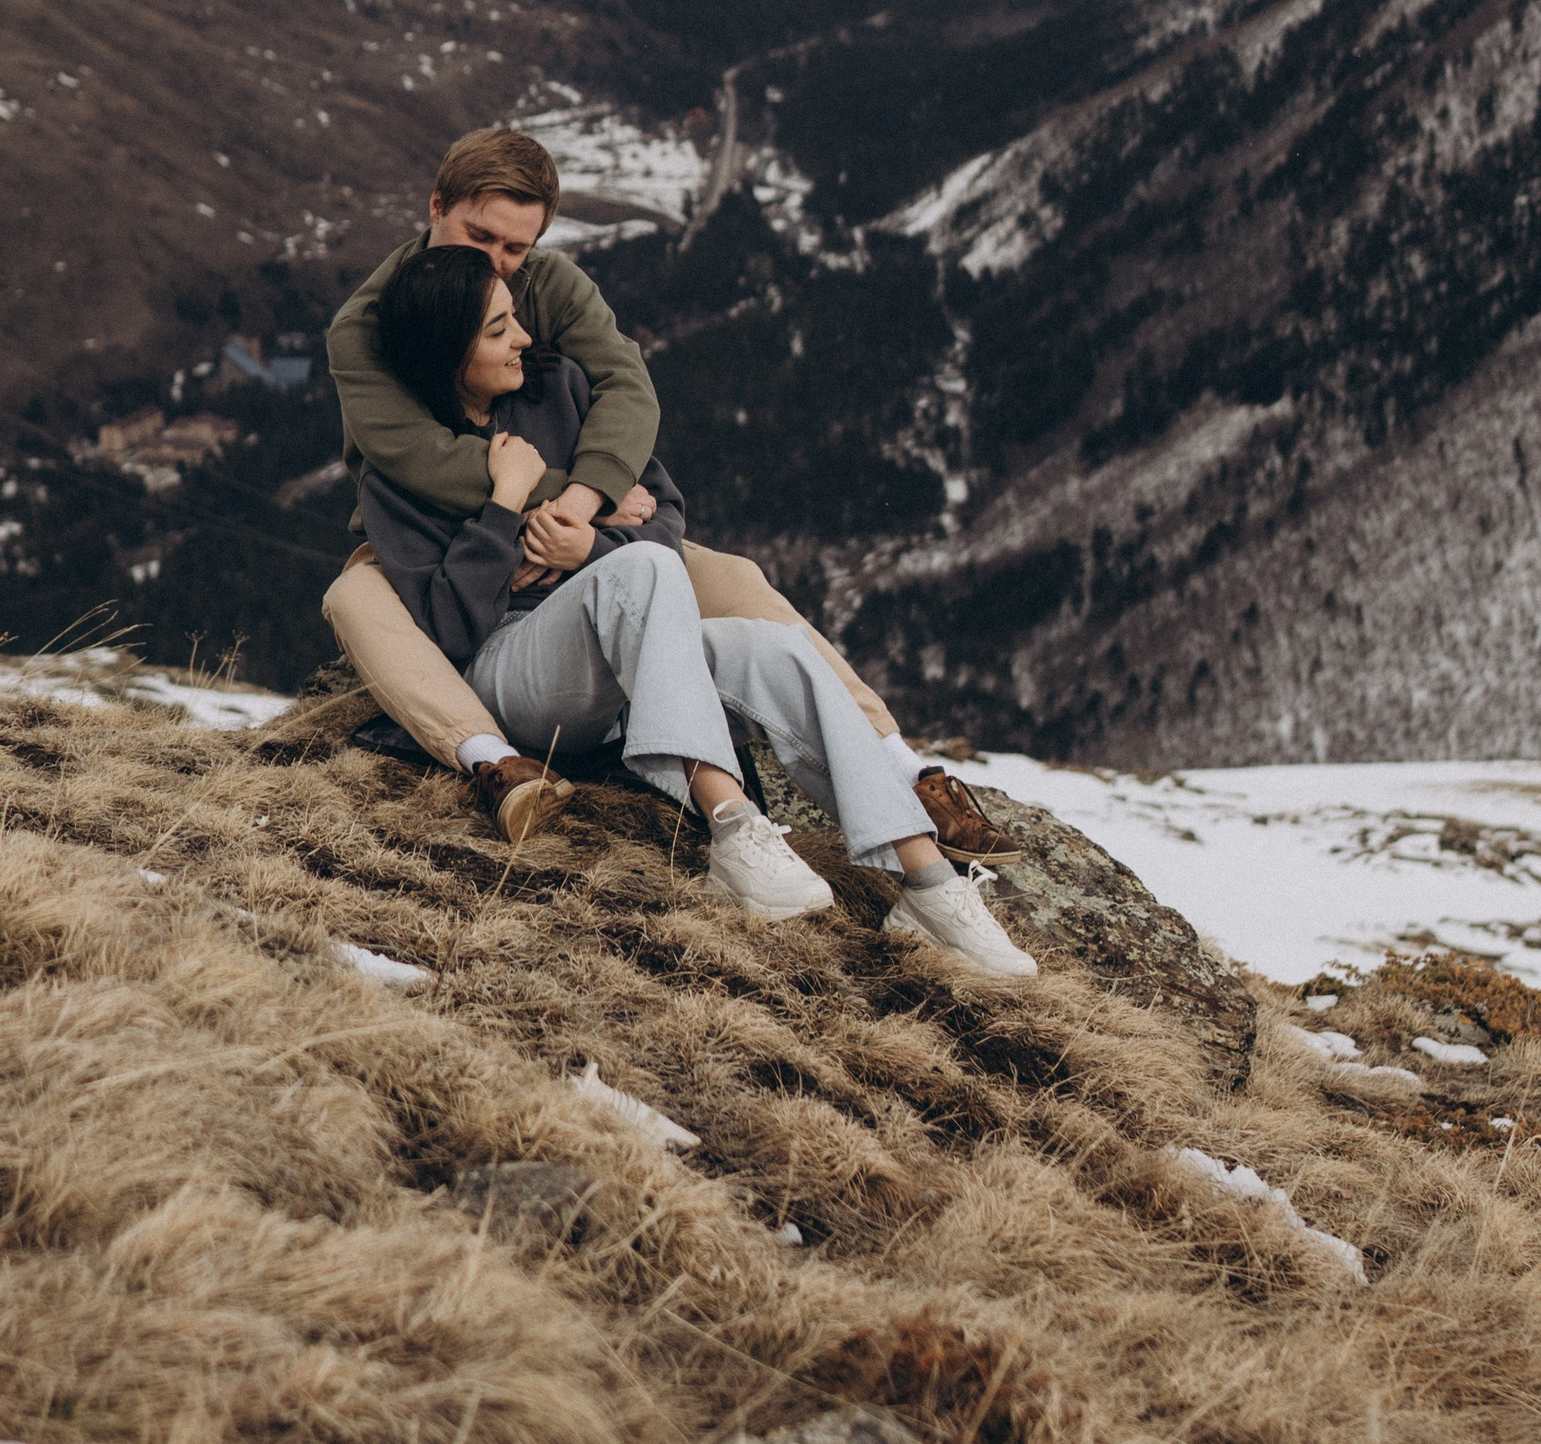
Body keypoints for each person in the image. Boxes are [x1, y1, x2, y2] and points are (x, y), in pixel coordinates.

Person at [339, 234, 1035, 976]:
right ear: (448, 353)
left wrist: (587, 546)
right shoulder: (400, 472)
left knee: (775, 647)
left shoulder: (560, 390)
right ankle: (734, 827)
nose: (524, 338)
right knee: (638, 571)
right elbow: (448, 628)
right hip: (508, 669)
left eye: (515, 317)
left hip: (616, 642)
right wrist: (504, 504)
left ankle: (929, 884)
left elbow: (664, 515)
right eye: (498, 329)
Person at [322, 126, 1006, 857]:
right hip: (433, 533)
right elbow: (423, 460)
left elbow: (627, 387)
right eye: (479, 235)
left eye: (516, 247)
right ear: (436, 205)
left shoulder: (549, 286)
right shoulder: (367, 325)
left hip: (574, 528)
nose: (496, 262)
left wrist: (586, 508)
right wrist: (568, 492)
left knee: (734, 579)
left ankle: (904, 771)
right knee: (356, 599)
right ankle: (493, 761)